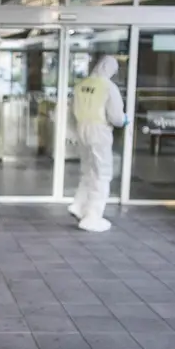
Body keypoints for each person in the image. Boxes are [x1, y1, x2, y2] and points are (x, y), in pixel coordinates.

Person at [69, 55, 126, 233]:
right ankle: (92, 217)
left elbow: (72, 109)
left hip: (81, 129)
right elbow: (117, 118)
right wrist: (125, 120)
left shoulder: (81, 84)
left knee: (88, 170)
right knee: (102, 174)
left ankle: (79, 205)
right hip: (99, 131)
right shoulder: (108, 87)